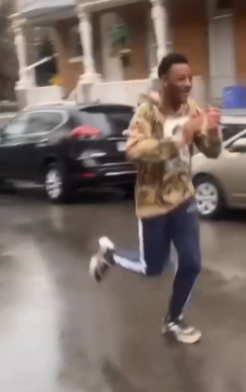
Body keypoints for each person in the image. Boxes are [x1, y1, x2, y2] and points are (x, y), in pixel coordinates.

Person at [88, 53, 223, 344]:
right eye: (180, 79)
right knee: (153, 268)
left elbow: (211, 151)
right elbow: (133, 151)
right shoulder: (146, 113)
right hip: (153, 203)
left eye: (189, 78)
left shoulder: (194, 110)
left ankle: (174, 319)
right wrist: (178, 139)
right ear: (165, 81)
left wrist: (211, 131)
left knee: (191, 264)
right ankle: (110, 255)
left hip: (184, 200)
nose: (188, 84)